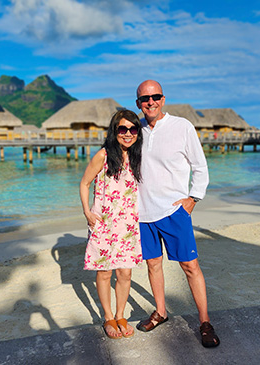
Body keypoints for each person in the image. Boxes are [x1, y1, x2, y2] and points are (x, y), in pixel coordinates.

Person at [135, 80, 220, 348]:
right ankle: (160, 311)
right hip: (143, 213)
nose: (150, 102)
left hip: (174, 212)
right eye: (144, 99)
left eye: (155, 97)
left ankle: (205, 322)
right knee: (152, 264)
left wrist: (194, 198)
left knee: (190, 267)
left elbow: (200, 166)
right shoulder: (133, 130)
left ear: (163, 99)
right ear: (138, 103)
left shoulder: (182, 126)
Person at [80, 109, 143, 339]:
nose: (128, 134)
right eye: (123, 129)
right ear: (114, 130)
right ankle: (108, 317)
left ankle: (120, 314)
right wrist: (87, 211)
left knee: (125, 273)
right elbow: (85, 183)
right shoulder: (103, 155)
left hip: (127, 224)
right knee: (105, 272)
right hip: (104, 222)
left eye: (133, 129)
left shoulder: (137, 156)